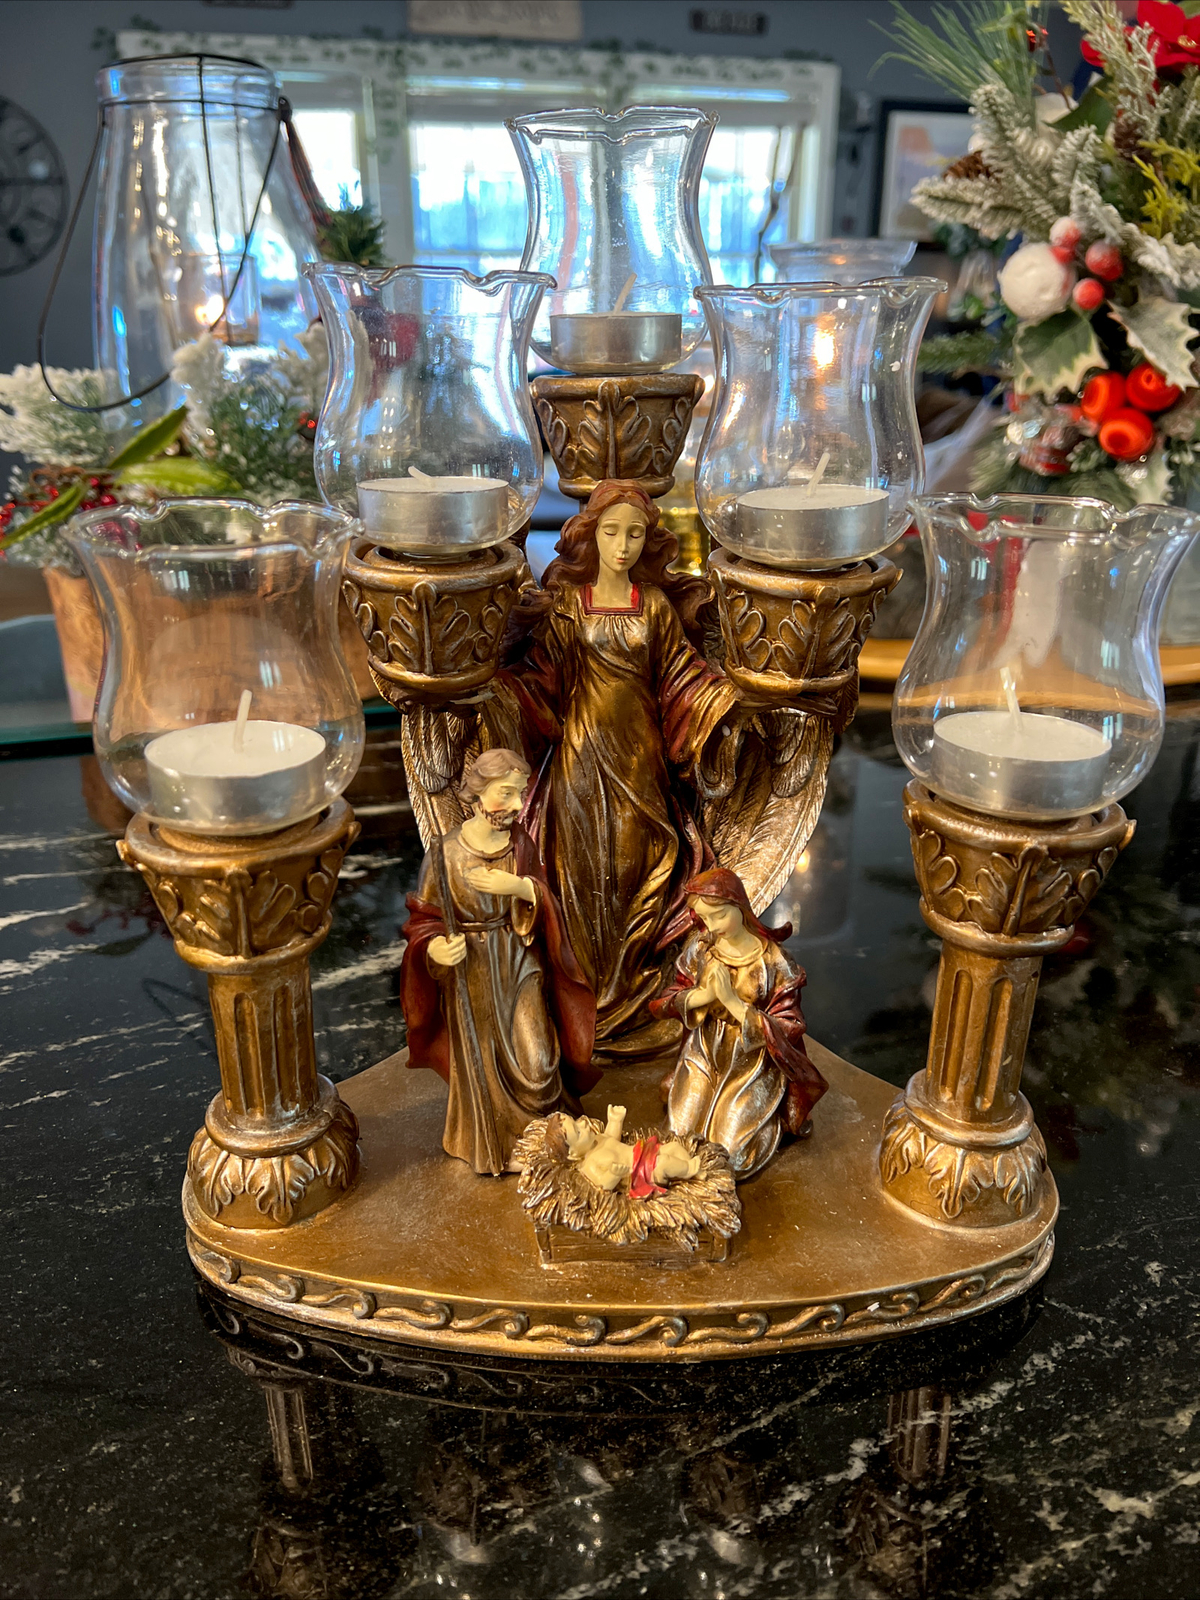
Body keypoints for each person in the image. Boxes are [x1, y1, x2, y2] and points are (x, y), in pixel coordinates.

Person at [490, 480, 738, 1065]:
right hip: (579, 762)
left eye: (635, 534)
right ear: (590, 535)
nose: (623, 545)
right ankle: (583, 1002)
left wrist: (724, 699)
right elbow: (541, 680)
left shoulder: (654, 606)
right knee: (580, 875)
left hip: (641, 762)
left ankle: (629, 996)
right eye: (611, 531)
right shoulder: (568, 609)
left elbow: (682, 677)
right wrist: (500, 694)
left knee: (639, 863)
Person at [400, 748, 597, 1174]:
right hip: (472, 970)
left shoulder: (520, 845)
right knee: (485, 1063)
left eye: (520, 794)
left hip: (519, 960)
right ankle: (500, 1142)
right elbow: (424, 920)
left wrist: (521, 888)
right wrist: (434, 948)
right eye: (505, 794)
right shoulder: (445, 854)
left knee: (538, 1061)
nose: (515, 805)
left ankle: (544, 1135)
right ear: (478, 792)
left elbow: (549, 904)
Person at [651, 867, 827, 1180]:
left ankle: (767, 1121)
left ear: (739, 907)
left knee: (730, 1157)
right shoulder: (701, 949)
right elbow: (665, 1001)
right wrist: (702, 997)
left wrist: (733, 1003)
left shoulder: (774, 961)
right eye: (703, 918)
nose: (711, 926)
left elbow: (791, 1025)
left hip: (751, 1064)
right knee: (676, 1140)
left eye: (718, 916)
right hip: (703, 1054)